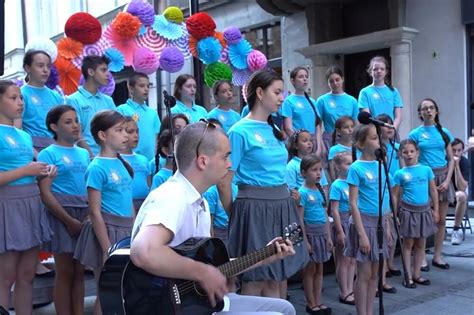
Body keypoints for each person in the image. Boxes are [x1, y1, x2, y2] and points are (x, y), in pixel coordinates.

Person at [130, 122, 296, 315]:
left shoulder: (199, 201)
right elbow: (144, 251)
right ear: (203, 161)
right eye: (225, 156)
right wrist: (202, 272)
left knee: (285, 308)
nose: (230, 164)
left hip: (196, 302)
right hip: (167, 306)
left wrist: (264, 256)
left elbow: (213, 268)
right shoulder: (172, 196)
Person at [219, 70, 309, 298]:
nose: (282, 98)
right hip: (254, 207)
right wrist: (237, 214)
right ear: (259, 93)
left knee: (277, 277)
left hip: (282, 206)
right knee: (256, 276)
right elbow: (224, 180)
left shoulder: (274, 129)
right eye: (277, 92)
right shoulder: (239, 131)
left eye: (283, 93)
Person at [0, 80, 54, 314]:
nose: (20, 102)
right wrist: (26, 171)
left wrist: (44, 173)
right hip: (8, 205)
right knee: (5, 277)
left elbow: (30, 170)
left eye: (21, 97)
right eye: (13, 98)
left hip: (31, 203)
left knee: (27, 275)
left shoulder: (24, 136)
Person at [73, 110, 134, 315]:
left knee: (126, 289)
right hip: (108, 232)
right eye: (119, 130)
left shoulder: (121, 163)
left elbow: (129, 201)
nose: (125, 135)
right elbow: (95, 212)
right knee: (107, 290)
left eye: (126, 130)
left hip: (126, 231)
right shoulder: (97, 167)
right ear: (102, 135)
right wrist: (108, 247)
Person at [37, 105, 90, 314]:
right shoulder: (48, 154)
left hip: (84, 214)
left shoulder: (84, 154)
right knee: (65, 270)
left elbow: (89, 186)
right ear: (54, 126)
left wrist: (86, 216)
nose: (75, 125)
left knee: (79, 271)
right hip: (62, 214)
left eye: (76, 120)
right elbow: (45, 193)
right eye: (68, 122)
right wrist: (69, 221)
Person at [345, 124, 392, 315]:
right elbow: (353, 203)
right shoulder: (356, 168)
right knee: (364, 273)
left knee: (375, 274)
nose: (378, 141)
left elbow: (385, 196)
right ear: (361, 144)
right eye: (373, 138)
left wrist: (387, 226)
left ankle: (370, 311)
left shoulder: (381, 164)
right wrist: (362, 235)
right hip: (364, 223)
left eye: (378, 137)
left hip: (380, 222)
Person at [408, 98, 454, 270]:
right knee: (424, 219)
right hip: (424, 178)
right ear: (420, 113)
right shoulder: (415, 134)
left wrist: (448, 180)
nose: (428, 111)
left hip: (443, 176)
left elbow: (451, 160)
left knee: (441, 219)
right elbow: (411, 157)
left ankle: (437, 255)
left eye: (431, 108)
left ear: (436, 111)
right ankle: (421, 256)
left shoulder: (444, 132)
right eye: (424, 108)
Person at [392, 139, 439, 288]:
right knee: (408, 244)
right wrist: (394, 214)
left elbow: (433, 190)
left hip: (424, 211)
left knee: (421, 244)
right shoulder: (399, 174)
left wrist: (436, 209)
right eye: (405, 152)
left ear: (417, 152)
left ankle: (417, 273)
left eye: (412, 151)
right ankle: (407, 276)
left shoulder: (426, 170)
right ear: (400, 154)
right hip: (408, 211)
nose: (409, 155)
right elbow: (395, 195)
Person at [298, 154, 333, 315]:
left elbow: (325, 215)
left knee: (320, 269)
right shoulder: (303, 193)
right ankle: (310, 303)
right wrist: (305, 241)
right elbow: (300, 219)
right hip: (310, 235)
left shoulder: (320, 191)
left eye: (320, 170)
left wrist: (329, 236)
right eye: (314, 170)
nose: (318, 173)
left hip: (322, 234)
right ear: (304, 173)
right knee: (310, 270)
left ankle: (318, 301)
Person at [66, 55, 116, 157]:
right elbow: (77, 134)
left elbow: (116, 129)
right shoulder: (73, 100)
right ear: (91, 72)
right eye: (103, 70)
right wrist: (91, 157)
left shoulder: (108, 101)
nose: (108, 75)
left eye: (108, 70)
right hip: (84, 158)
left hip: (109, 157)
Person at [19, 50, 63, 150]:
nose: (45, 70)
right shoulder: (21, 94)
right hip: (32, 147)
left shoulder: (56, 96)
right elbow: (18, 129)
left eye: (48, 66)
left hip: (56, 147)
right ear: (27, 68)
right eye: (40, 65)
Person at [329, 152, 356, 306]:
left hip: (352, 222)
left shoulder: (353, 182)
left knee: (352, 259)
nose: (350, 166)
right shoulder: (337, 185)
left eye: (352, 163)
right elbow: (334, 210)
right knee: (344, 259)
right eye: (347, 163)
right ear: (338, 167)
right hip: (343, 223)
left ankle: (351, 288)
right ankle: (343, 291)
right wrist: (339, 231)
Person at [117, 72, 161, 161]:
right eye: (141, 86)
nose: (146, 89)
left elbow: (157, 136)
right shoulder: (122, 110)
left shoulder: (152, 112)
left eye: (148, 86)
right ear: (131, 88)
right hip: (129, 159)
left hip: (151, 160)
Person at [316, 66, 358, 155]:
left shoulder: (352, 101)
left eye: (337, 80)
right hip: (329, 140)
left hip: (348, 140)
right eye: (331, 81)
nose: (335, 83)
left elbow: (356, 123)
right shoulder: (322, 100)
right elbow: (317, 125)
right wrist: (320, 144)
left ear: (342, 79)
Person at [282, 66, 322, 156]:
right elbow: (288, 128)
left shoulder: (312, 101)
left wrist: (319, 147)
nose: (304, 79)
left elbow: (318, 126)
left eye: (306, 76)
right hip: (299, 144)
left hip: (312, 142)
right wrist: (299, 143)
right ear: (293, 81)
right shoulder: (288, 101)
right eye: (301, 77)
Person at [358, 56, 403, 130]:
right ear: (370, 71)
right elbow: (367, 118)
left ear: (386, 72)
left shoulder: (394, 91)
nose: (379, 71)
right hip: (374, 132)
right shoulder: (364, 92)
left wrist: (392, 129)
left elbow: (398, 116)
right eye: (375, 69)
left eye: (382, 69)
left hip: (391, 131)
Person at [120, 117, 151, 210]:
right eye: (130, 132)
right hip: (126, 204)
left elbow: (148, 183)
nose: (136, 135)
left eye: (137, 131)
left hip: (144, 204)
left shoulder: (143, 159)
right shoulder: (117, 159)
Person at [450, 138, 470, 245]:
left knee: (462, 196)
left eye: (459, 150)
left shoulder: (464, 162)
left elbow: (462, 187)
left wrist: (456, 166)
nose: (456, 153)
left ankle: (456, 231)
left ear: (462, 151)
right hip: (443, 194)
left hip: (456, 194)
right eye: (453, 150)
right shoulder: (443, 160)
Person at [327, 116, 357, 181]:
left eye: (352, 126)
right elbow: (332, 171)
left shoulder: (358, 147)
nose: (350, 130)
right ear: (338, 131)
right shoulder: (334, 150)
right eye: (346, 127)